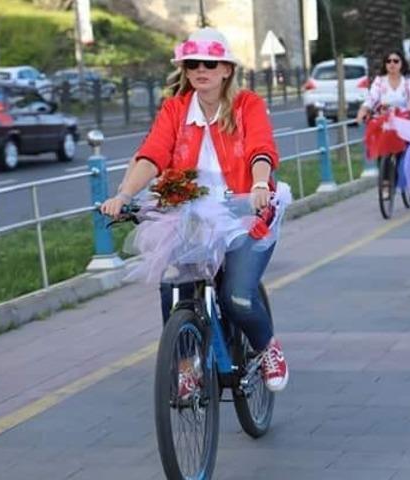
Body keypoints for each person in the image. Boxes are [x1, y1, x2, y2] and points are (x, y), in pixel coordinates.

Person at [99, 28, 289, 393]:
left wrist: (261, 184)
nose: (201, 69)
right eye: (192, 64)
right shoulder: (174, 109)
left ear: (226, 70)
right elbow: (153, 153)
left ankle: (267, 348)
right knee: (174, 289)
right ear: (185, 70)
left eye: (210, 63)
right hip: (189, 210)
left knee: (237, 296)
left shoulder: (247, 104)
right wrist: (123, 194)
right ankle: (188, 365)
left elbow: (260, 148)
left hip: (243, 208)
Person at [355, 50, 410, 123]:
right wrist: (364, 109)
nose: (392, 63)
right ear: (385, 64)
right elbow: (372, 98)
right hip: (384, 123)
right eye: (388, 61)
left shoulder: (409, 79)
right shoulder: (379, 80)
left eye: (396, 61)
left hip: (406, 122)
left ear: (402, 63)